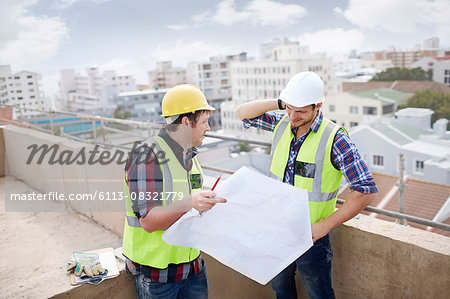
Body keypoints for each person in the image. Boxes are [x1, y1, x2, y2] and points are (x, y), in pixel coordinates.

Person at [236, 71, 378, 299]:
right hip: (277, 229)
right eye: (290, 108)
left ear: (318, 105)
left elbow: (365, 189)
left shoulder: (335, 138)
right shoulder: (283, 122)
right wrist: (282, 102)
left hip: (311, 237)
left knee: (319, 294)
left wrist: (326, 225)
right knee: (281, 289)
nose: (293, 116)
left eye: (301, 111)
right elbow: (243, 113)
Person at [122, 84, 226, 299]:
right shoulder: (147, 157)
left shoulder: (190, 155)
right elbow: (148, 221)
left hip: (193, 267)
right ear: (186, 122)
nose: (208, 128)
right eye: (205, 122)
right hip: (159, 276)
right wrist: (191, 202)